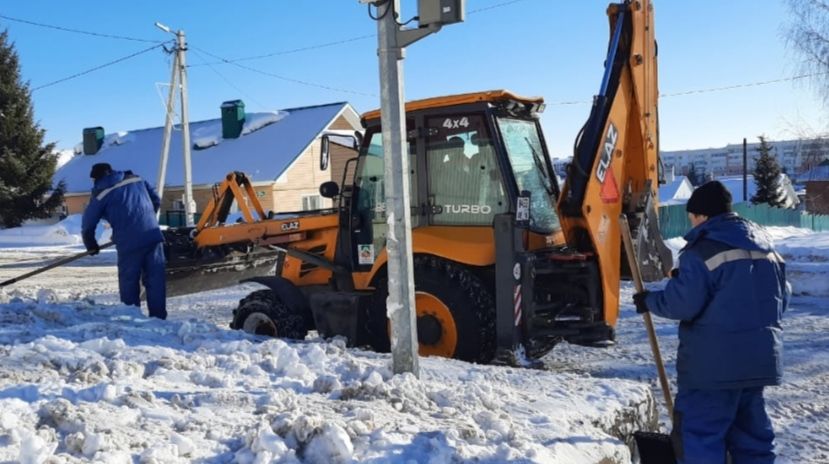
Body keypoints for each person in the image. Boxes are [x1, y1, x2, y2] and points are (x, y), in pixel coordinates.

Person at [633, 180, 789, 464]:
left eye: (692, 216)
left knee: (702, 437)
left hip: (712, 370)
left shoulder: (701, 250)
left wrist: (649, 301)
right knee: (753, 440)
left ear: (703, 215)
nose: (690, 223)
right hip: (758, 363)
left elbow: (683, 304)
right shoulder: (767, 248)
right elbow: (781, 299)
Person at [82, 163, 167, 320]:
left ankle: (132, 318)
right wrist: (145, 220)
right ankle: (159, 318)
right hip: (152, 235)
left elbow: (88, 223)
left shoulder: (101, 193)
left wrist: (91, 244)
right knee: (156, 279)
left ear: (96, 178)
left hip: (129, 242)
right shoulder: (136, 179)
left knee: (129, 281)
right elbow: (156, 200)